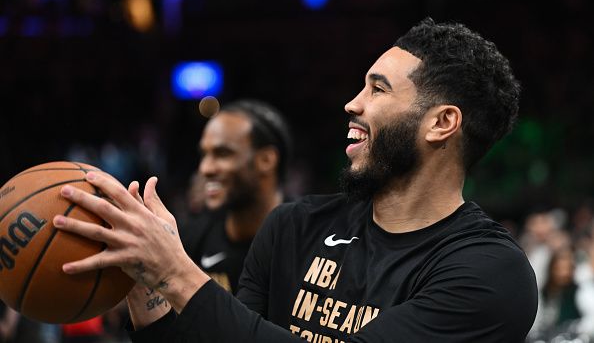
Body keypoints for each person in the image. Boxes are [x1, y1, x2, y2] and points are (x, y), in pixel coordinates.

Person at [52, 18, 538, 342]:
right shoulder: (294, 225)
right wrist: (145, 286)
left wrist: (173, 270)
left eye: (378, 88)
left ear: (441, 123)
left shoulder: (490, 274)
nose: (353, 103)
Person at [180, 99, 292, 294]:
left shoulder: (307, 240)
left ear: (266, 160)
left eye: (222, 154)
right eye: (204, 155)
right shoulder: (192, 239)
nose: (205, 168)